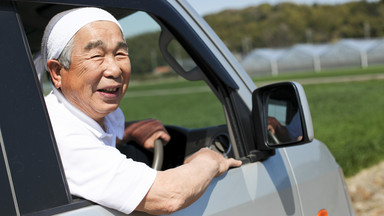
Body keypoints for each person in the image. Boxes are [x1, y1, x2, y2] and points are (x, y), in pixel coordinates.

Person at [42, 7, 241, 215]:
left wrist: (127, 131)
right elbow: (169, 196)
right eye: (96, 56)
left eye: (120, 54)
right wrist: (210, 161)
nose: (114, 69)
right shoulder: (62, 137)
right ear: (57, 72)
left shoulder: (79, 115)